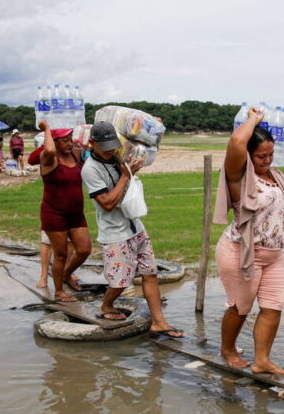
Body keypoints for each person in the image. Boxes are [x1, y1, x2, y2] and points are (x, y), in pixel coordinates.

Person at [212, 108, 284, 373]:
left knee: (273, 307)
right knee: (240, 308)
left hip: (273, 255)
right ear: (248, 156)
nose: (267, 160)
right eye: (261, 155)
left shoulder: (273, 175)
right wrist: (254, 119)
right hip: (241, 252)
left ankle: (262, 360)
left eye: (271, 154)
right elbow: (236, 142)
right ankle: (228, 350)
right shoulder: (239, 174)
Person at [81, 121, 183, 337]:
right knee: (120, 281)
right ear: (92, 143)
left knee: (150, 273)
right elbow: (107, 203)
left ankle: (159, 321)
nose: (110, 149)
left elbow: (143, 144)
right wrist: (126, 175)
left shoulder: (118, 156)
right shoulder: (90, 170)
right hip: (115, 233)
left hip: (136, 226)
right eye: (105, 146)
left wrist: (152, 128)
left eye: (112, 144)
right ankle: (106, 306)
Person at [38, 120, 92, 302]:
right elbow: (50, 150)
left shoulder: (75, 156)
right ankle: (59, 291)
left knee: (84, 249)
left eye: (70, 139)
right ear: (54, 141)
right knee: (60, 254)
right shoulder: (49, 159)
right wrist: (46, 129)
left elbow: (87, 144)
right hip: (54, 214)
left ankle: (66, 274)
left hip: (76, 214)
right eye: (65, 140)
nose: (70, 143)